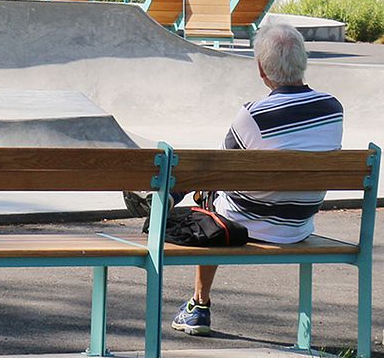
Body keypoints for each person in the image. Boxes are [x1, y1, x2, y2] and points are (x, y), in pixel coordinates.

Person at [124, 23, 344, 336]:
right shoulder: (333, 109)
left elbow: (216, 169)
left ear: (261, 69)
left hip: (246, 225)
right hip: (298, 225)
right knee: (215, 183)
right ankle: (170, 198)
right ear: (303, 62)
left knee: (209, 193)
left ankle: (199, 305)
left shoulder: (253, 115)